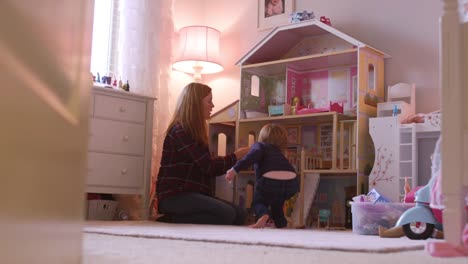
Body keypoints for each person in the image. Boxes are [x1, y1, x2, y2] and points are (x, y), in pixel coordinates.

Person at [156, 82, 250, 225]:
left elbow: (207, 166)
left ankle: (178, 217)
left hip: (194, 194)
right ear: (195, 104)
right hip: (175, 196)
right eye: (209, 101)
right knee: (227, 214)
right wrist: (237, 155)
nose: (212, 105)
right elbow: (208, 166)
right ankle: (172, 218)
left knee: (240, 215)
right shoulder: (180, 130)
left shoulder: (196, 133)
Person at [225, 124, 299, 228]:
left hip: (270, 179)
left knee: (258, 201)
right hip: (292, 182)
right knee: (277, 203)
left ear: (262, 137)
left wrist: (234, 169)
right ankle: (281, 224)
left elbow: (250, 157)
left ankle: (263, 214)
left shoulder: (260, 145)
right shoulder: (280, 153)